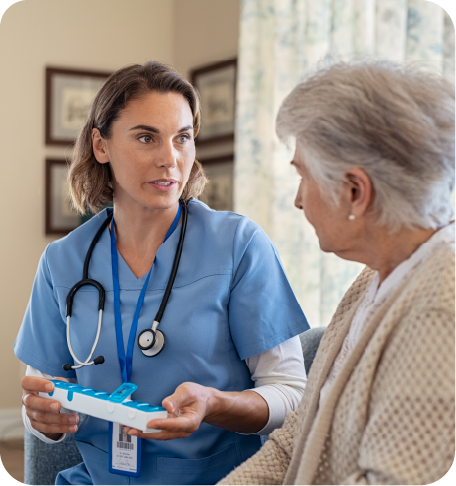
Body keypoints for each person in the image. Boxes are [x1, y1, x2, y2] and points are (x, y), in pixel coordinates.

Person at [14, 61, 310, 486]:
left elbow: (290, 394)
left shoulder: (239, 245)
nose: (170, 158)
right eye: (146, 137)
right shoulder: (62, 262)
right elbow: (41, 395)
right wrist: (43, 419)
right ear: (101, 145)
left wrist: (215, 403)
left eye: (182, 138)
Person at [217, 61, 456, 486]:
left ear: (354, 191)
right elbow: (295, 440)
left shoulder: (437, 306)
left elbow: (389, 481)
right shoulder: (375, 278)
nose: (297, 200)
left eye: (303, 176)